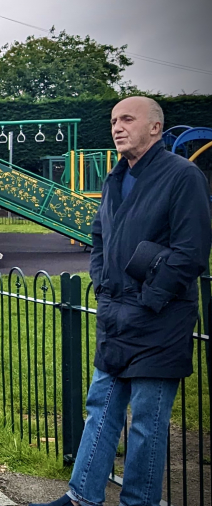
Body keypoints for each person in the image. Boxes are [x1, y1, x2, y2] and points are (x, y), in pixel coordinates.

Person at [31, 97, 211, 506]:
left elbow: (192, 251)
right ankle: (81, 497)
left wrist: (149, 299)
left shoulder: (183, 176)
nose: (117, 126)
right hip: (115, 316)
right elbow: (99, 238)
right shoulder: (115, 178)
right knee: (101, 410)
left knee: (147, 423)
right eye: (113, 120)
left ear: (155, 128)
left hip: (161, 320)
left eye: (127, 118)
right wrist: (102, 285)